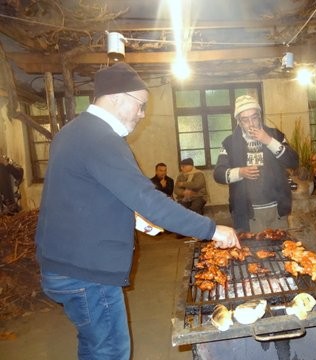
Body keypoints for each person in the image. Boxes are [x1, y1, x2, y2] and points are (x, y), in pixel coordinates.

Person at [34, 62, 240, 360]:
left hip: (61, 264)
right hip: (87, 273)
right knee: (111, 351)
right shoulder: (101, 139)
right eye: (140, 105)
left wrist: (131, 216)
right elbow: (150, 199)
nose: (143, 114)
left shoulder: (72, 131)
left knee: (94, 345)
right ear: (117, 97)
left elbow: (84, 192)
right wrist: (212, 229)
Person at [214, 95, 299, 232]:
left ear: (260, 116)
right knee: (252, 251)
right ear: (239, 122)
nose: (251, 124)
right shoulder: (229, 143)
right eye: (245, 120)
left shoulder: (276, 135)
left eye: (254, 117)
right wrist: (240, 172)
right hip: (246, 212)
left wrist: (268, 141)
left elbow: (293, 162)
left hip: (277, 209)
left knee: (282, 248)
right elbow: (218, 174)